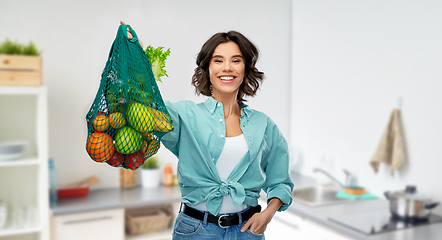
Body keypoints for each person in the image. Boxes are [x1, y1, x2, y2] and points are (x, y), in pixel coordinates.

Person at [120, 21, 294, 240]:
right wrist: (136, 56)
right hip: (196, 231)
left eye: (236, 60)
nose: (227, 67)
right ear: (207, 69)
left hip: (247, 231)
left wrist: (268, 214)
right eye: (218, 60)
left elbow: (280, 182)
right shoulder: (185, 114)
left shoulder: (264, 125)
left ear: (245, 69)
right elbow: (147, 108)